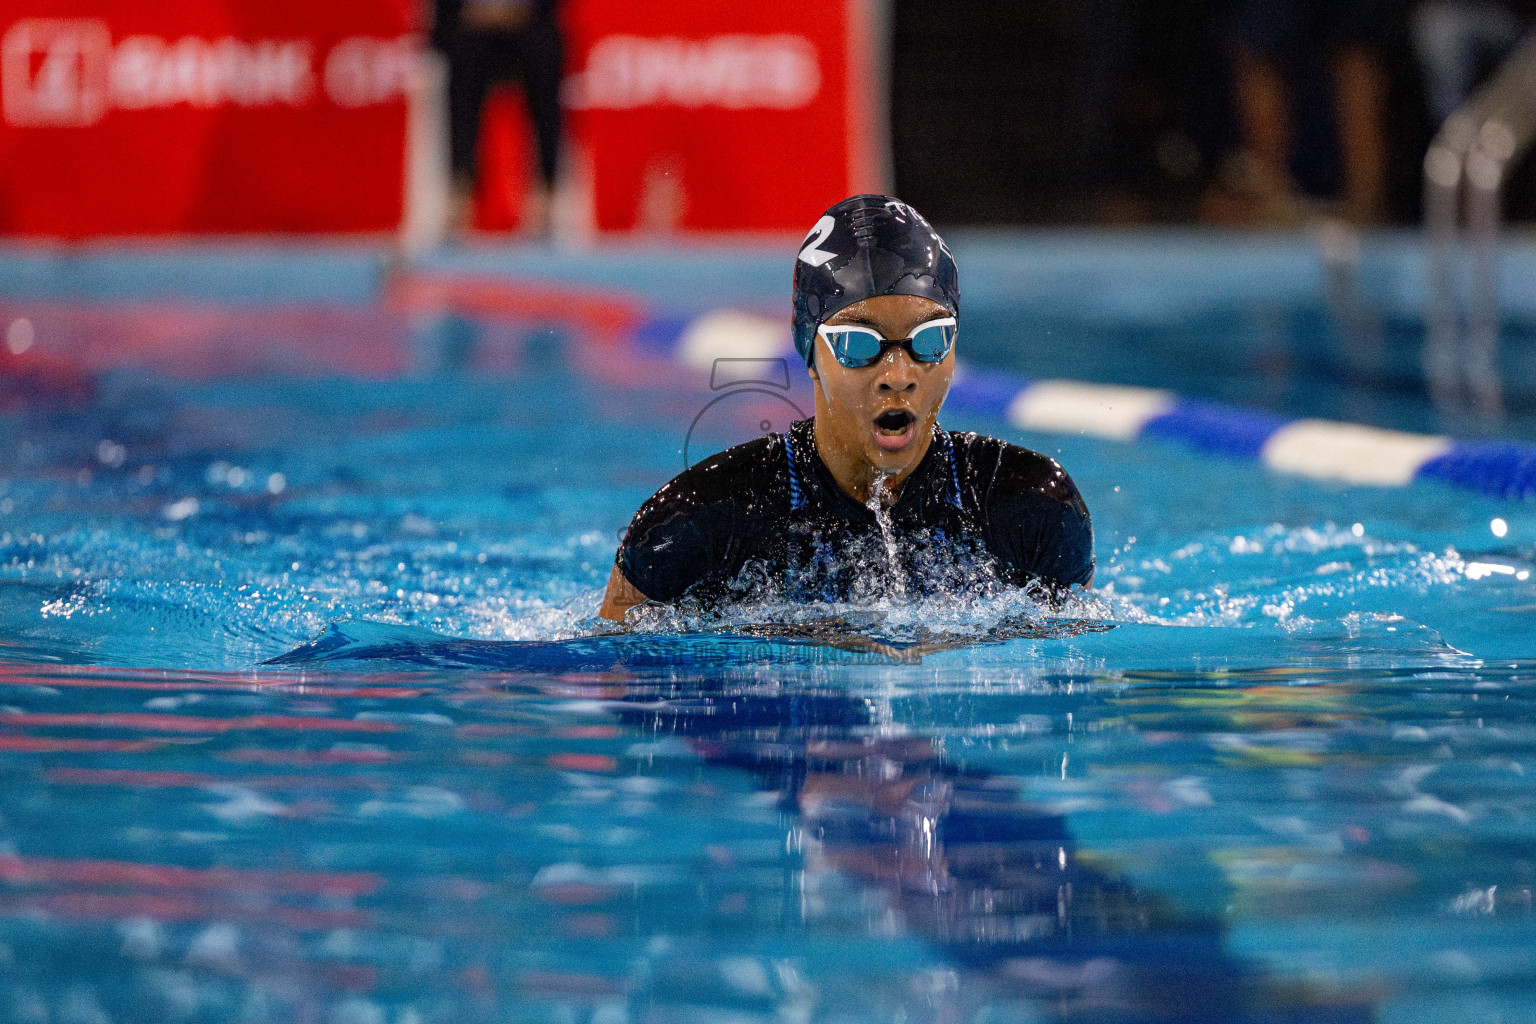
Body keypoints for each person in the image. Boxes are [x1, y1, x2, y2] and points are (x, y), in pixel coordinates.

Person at [599, 196, 1093, 623]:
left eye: (929, 339)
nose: (898, 373)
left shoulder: (1030, 508)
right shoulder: (700, 519)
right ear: (811, 351)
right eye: (859, 343)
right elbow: (614, 680)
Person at [432, 0, 564, 234]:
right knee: (462, 60)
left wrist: (519, 11)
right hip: (471, 25)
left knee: (545, 52)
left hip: (529, 23)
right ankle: (459, 194)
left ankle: (546, 197)